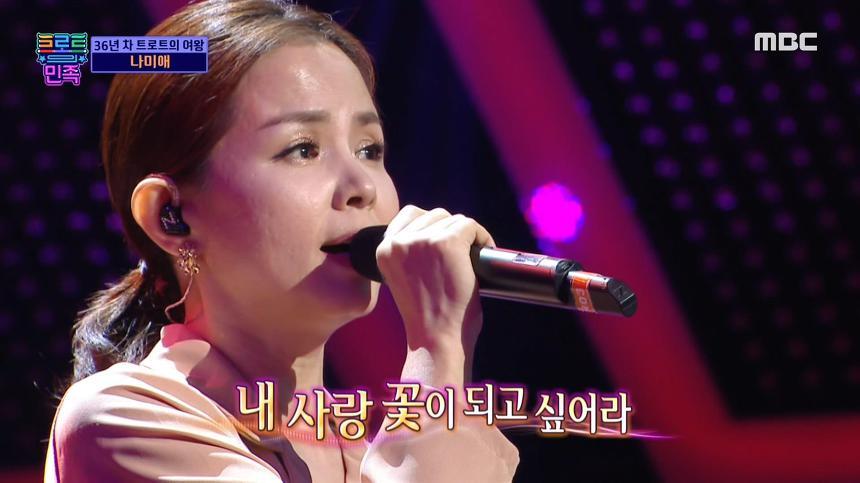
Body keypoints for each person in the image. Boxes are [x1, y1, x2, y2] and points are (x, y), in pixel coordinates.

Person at [43, 0, 520, 481]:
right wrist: (439, 345)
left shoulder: (365, 448)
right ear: (171, 216)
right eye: (303, 149)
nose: (363, 186)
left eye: (369, 149)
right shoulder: (125, 420)